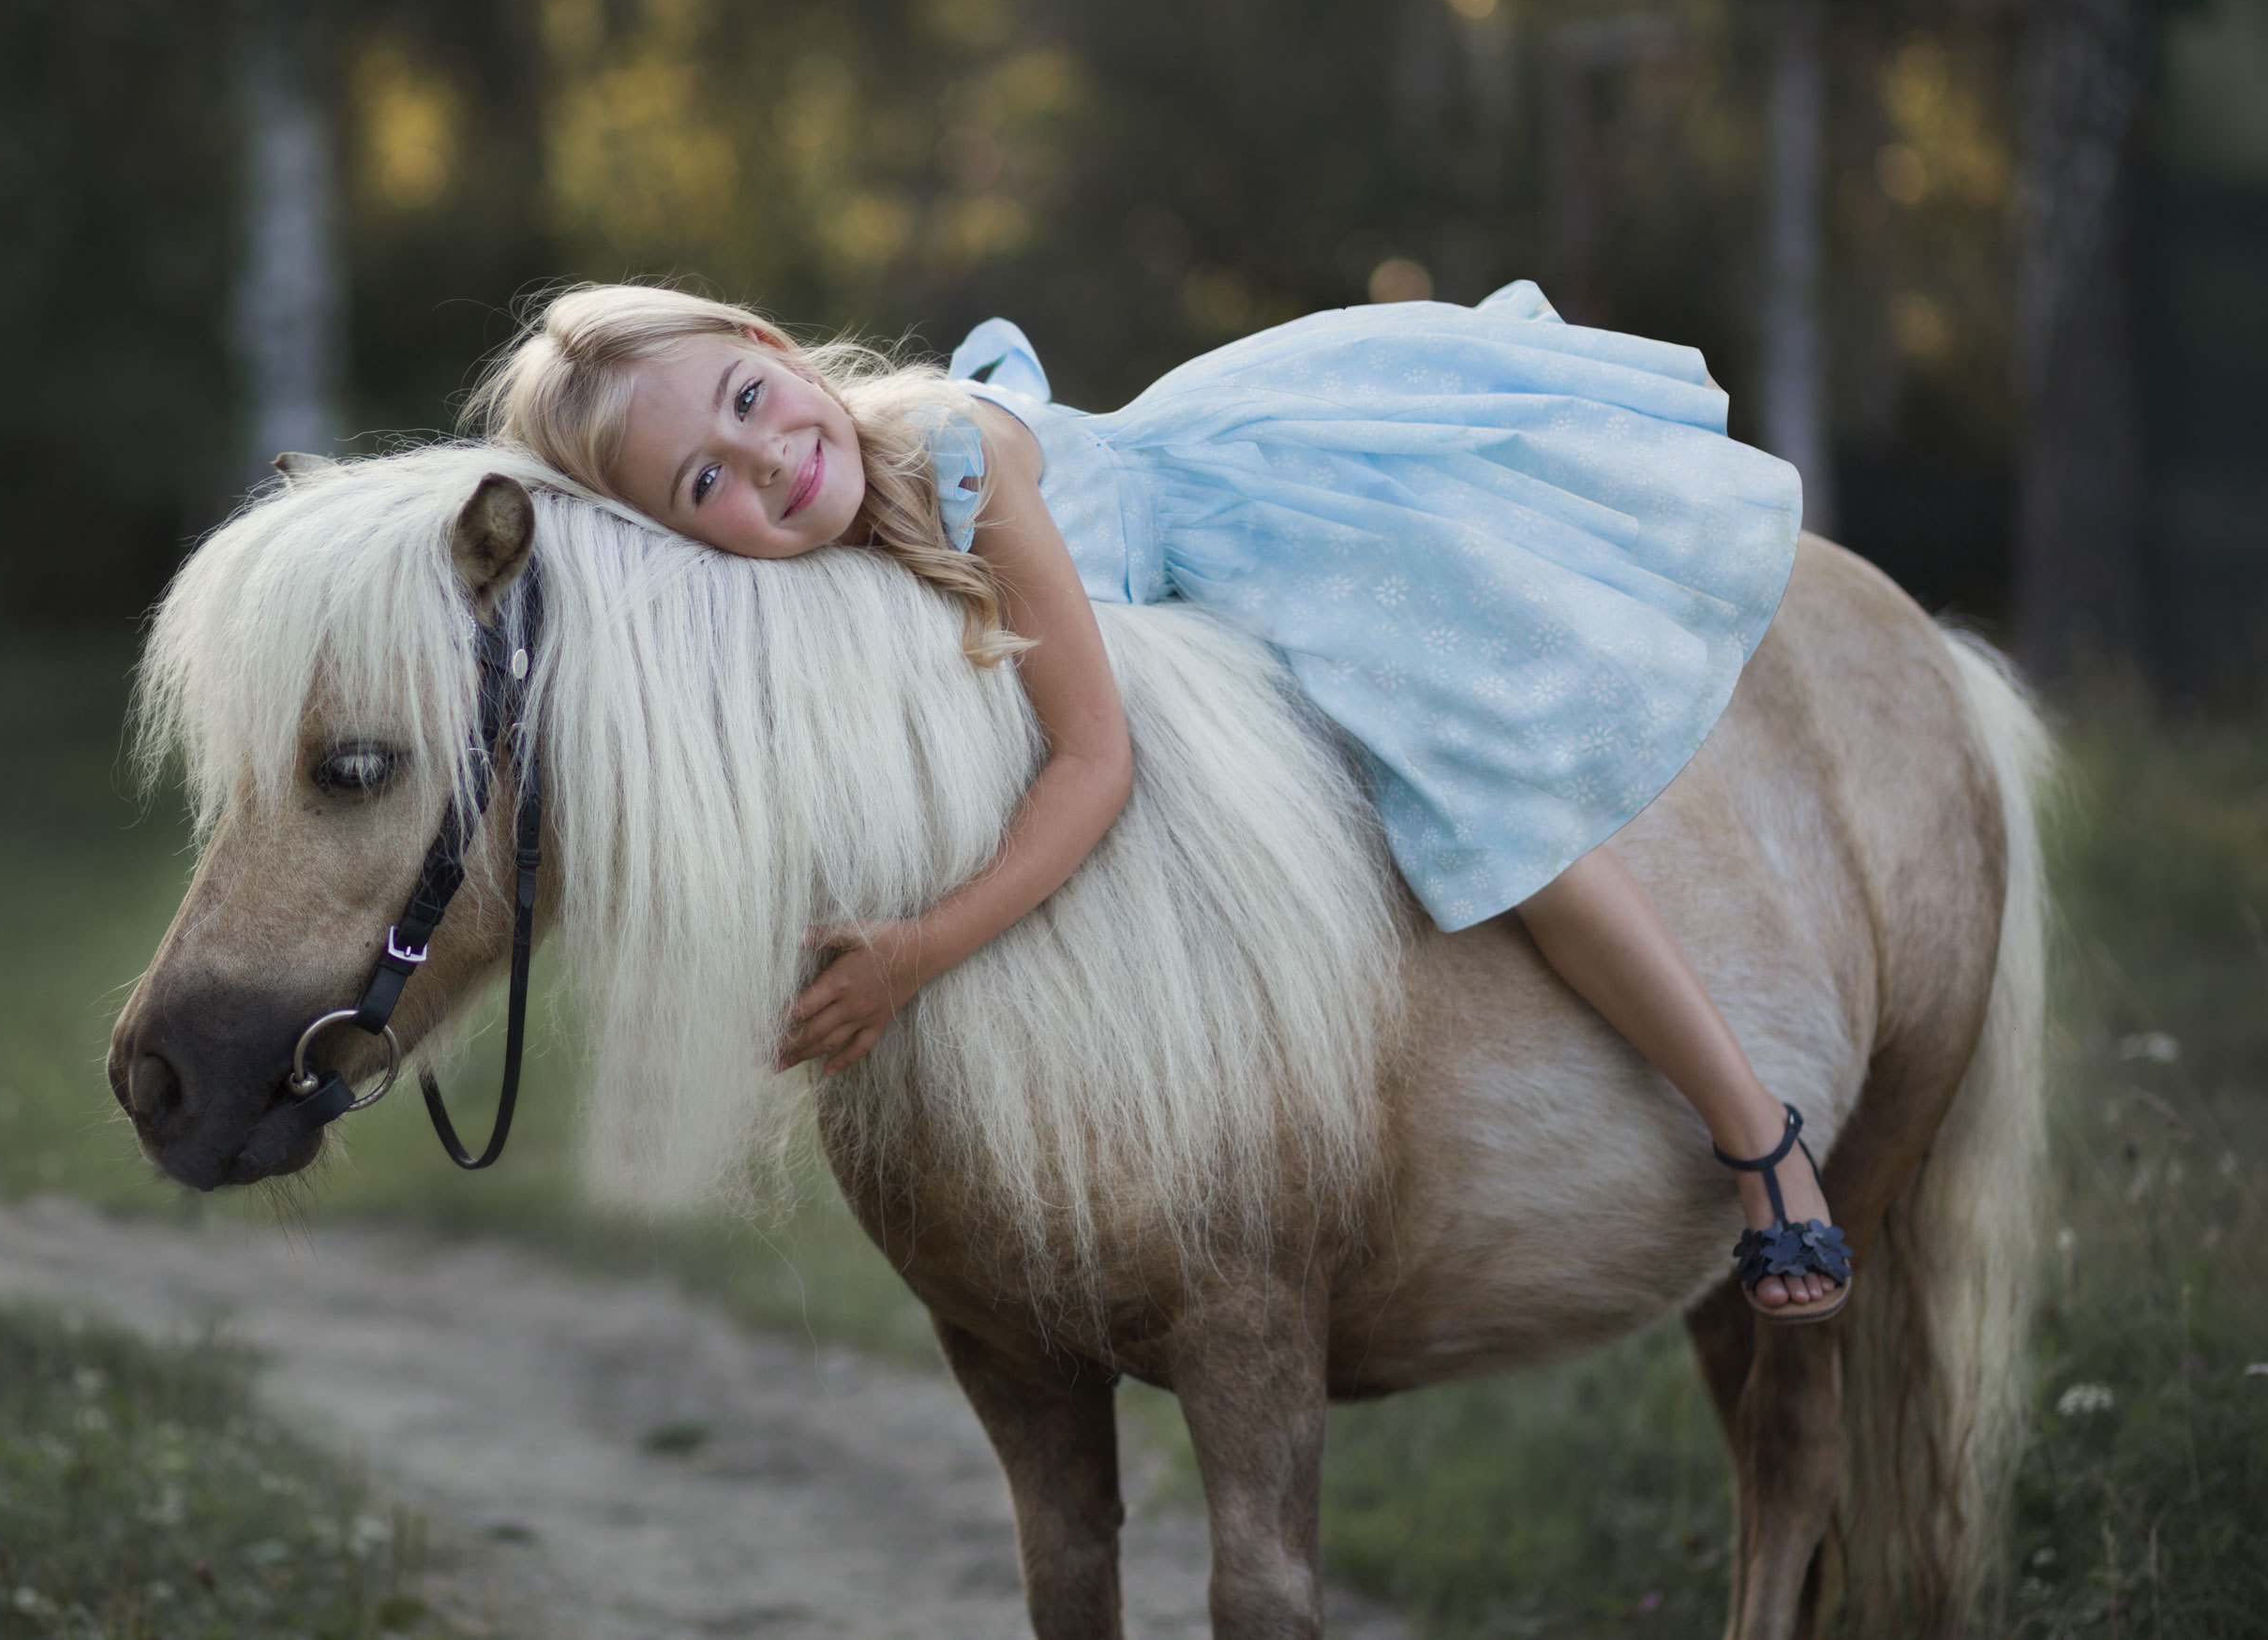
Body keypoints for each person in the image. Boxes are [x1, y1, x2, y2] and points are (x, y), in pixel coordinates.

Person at [466, 280, 1851, 1321]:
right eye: (706, 478)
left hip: (1267, 558)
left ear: (770, 348)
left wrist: (914, 952)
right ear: (682, 533)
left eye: (748, 402)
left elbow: (1095, 762)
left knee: (1485, 813)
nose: (766, 460)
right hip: (1165, 639)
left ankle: (1754, 1134)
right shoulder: (796, 564)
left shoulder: (955, 457)